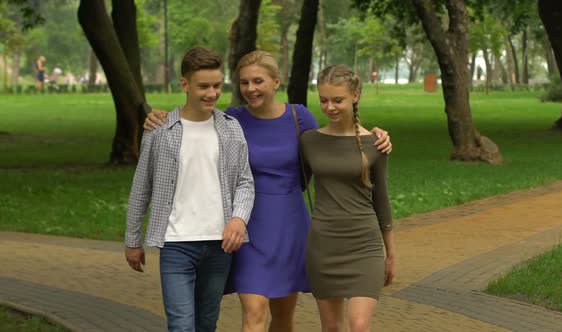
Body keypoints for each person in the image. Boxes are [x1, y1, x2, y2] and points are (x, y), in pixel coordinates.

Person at [144, 50, 392, 332]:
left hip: (291, 225)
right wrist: (159, 117)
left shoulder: (301, 118)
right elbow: (192, 121)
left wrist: (377, 136)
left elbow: (337, 140)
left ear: (276, 82)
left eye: (258, 81)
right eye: (244, 82)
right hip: (247, 226)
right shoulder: (230, 120)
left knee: (283, 318)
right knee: (254, 311)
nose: (251, 89)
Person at [125, 46, 255, 332]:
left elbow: (245, 182)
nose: (211, 93)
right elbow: (141, 186)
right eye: (203, 86)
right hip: (176, 243)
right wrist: (132, 240)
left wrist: (238, 218)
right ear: (185, 84)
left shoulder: (231, 129)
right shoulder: (159, 130)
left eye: (217, 86)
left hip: (219, 244)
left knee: (207, 323)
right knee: (182, 325)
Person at [300, 64, 395, 332]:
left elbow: (382, 200)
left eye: (337, 100)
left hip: (365, 245)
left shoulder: (376, 143)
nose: (329, 107)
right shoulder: (309, 141)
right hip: (324, 245)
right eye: (324, 100)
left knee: (359, 324)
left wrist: (391, 253)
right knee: (331, 328)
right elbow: (293, 184)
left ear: (355, 95)